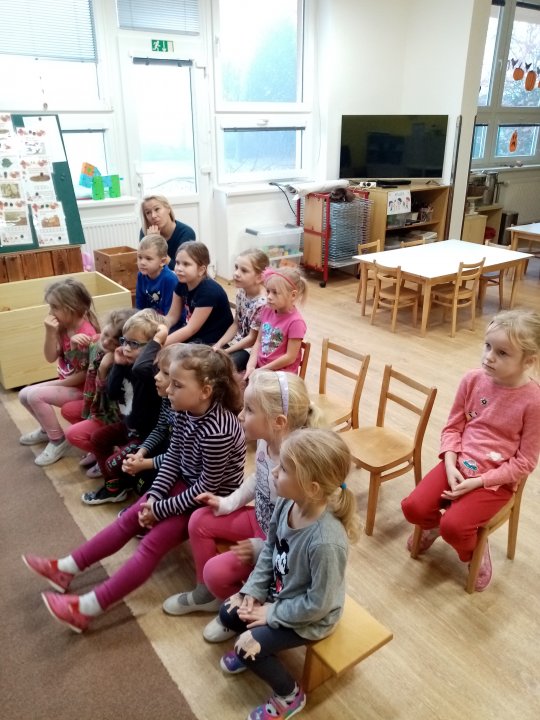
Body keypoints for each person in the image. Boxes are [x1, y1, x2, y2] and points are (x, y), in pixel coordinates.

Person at [22, 344, 246, 633]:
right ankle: (65, 568)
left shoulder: (219, 430)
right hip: (187, 485)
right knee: (131, 516)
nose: (169, 390)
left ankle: (86, 609)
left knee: (151, 544)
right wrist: (153, 498)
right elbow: (174, 457)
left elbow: (207, 487)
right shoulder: (183, 409)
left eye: (177, 385)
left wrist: (160, 509)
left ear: (205, 391)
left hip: (209, 501)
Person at [163, 370, 323, 641]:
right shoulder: (267, 440)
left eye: (249, 409)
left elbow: (299, 537)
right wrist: (227, 503)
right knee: (199, 519)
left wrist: (261, 548)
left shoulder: (297, 469)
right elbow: (258, 478)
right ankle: (207, 595)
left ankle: (237, 613)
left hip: (279, 548)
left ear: (278, 422)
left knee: (215, 572)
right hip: (259, 521)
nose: (240, 415)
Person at [217, 428, 359, 720]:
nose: (274, 472)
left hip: (311, 616)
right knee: (229, 612)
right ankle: (257, 643)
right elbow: (270, 548)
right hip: (281, 594)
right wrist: (254, 589)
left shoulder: (326, 543)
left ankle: (289, 696)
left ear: (312, 487)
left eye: (283, 469)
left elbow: (318, 604)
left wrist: (272, 613)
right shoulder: (287, 502)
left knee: (246, 647)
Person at [401, 309, 540, 592]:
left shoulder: (534, 402)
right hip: (457, 465)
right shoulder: (472, 380)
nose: (489, 357)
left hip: (494, 483)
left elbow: (525, 462)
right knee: (412, 508)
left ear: (529, 361)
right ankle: (435, 527)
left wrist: (479, 482)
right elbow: (452, 428)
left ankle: (474, 550)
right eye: (488, 346)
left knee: (455, 527)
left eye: (502, 353)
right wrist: (450, 465)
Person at [81, 309, 166, 505]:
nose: (126, 348)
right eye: (124, 341)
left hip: (145, 436)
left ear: (153, 347)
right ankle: (115, 488)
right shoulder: (126, 363)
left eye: (133, 344)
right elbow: (112, 393)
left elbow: (141, 368)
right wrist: (118, 365)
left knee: (112, 465)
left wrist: (157, 340)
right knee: (98, 438)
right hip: (129, 427)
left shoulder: (152, 370)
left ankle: (119, 484)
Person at [18, 278, 100, 467]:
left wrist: (55, 383)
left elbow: (85, 374)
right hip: (68, 383)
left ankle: (58, 440)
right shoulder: (63, 326)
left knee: (35, 395)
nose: (50, 312)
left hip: (83, 389)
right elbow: (50, 357)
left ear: (72, 307)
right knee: (24, 394)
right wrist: (50, 332)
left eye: (55, 307)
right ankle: (46, 430)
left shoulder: (86, 334)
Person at [61, 307, 136, 479]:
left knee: (72, 434)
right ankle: (97, 450)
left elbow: (111, 398)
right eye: (106, 334)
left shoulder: (121, 362)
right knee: (68, 410)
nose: (107, 342)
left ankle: (108, 453)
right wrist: (74, 346)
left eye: (115, 341)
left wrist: (103, 369)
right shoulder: (97, 342)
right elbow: (80, 367)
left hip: (111, 413)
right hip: (94, 404)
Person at [115, 344, 176, 498]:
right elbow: (161, 428)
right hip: (166, 453)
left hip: (179, 466)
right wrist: (141, 452)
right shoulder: (168, 398)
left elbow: (181, 456)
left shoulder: (187, 412)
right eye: (158, 370)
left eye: (165, 373)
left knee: (146, 486)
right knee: (129, 471)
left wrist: (146, 464)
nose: (156, 376)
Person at [164, 241, 233, 346]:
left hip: (212, 341)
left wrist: (157, 345)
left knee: (167, 351)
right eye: (177, 263)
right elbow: (172, 317)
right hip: (194, 334)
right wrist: (156, 334)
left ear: (201, 270)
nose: (178, 268)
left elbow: (191, 329)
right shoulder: (182, 283)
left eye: (186, 264)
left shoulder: (209, 292)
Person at [245, 266, 307, 379]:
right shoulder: (267, 310)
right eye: (268, 291)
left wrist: (261, 370)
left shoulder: (296, 322)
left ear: (293, 295)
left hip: (281, 376)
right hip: (261, 369)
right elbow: (258, 342)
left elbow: (290, 357)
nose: (269, 297)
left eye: (275, 292)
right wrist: (250, 366)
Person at [212, 248, 269, 372]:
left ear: (259, 277)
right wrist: (219, 344)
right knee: (208, 357)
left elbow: (252, 339)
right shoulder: (241, 292)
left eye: (244, 270)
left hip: (249, 350)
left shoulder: (263, 303)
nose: (236, 273)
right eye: (236, 267)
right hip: (236, 342)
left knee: (221, 368)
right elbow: (236, 324)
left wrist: (226, 351)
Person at [140, 195, 195, 271]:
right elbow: (144, 266)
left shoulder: (186, 233)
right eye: (148, 212)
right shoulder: (145, 232)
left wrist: (156, 244)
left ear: (168, 209)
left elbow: (180, 270)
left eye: (157, 209)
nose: (153, 216)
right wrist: (150, 241)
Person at [135, 233, 178, 315]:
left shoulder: (170, 280)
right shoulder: (141, 275)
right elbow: (139, 304)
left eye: (148, 258)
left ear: (162, 262)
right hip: (150, 318)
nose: (142, 262)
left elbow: (170, 314)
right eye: (140, 257)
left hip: (168, 320)